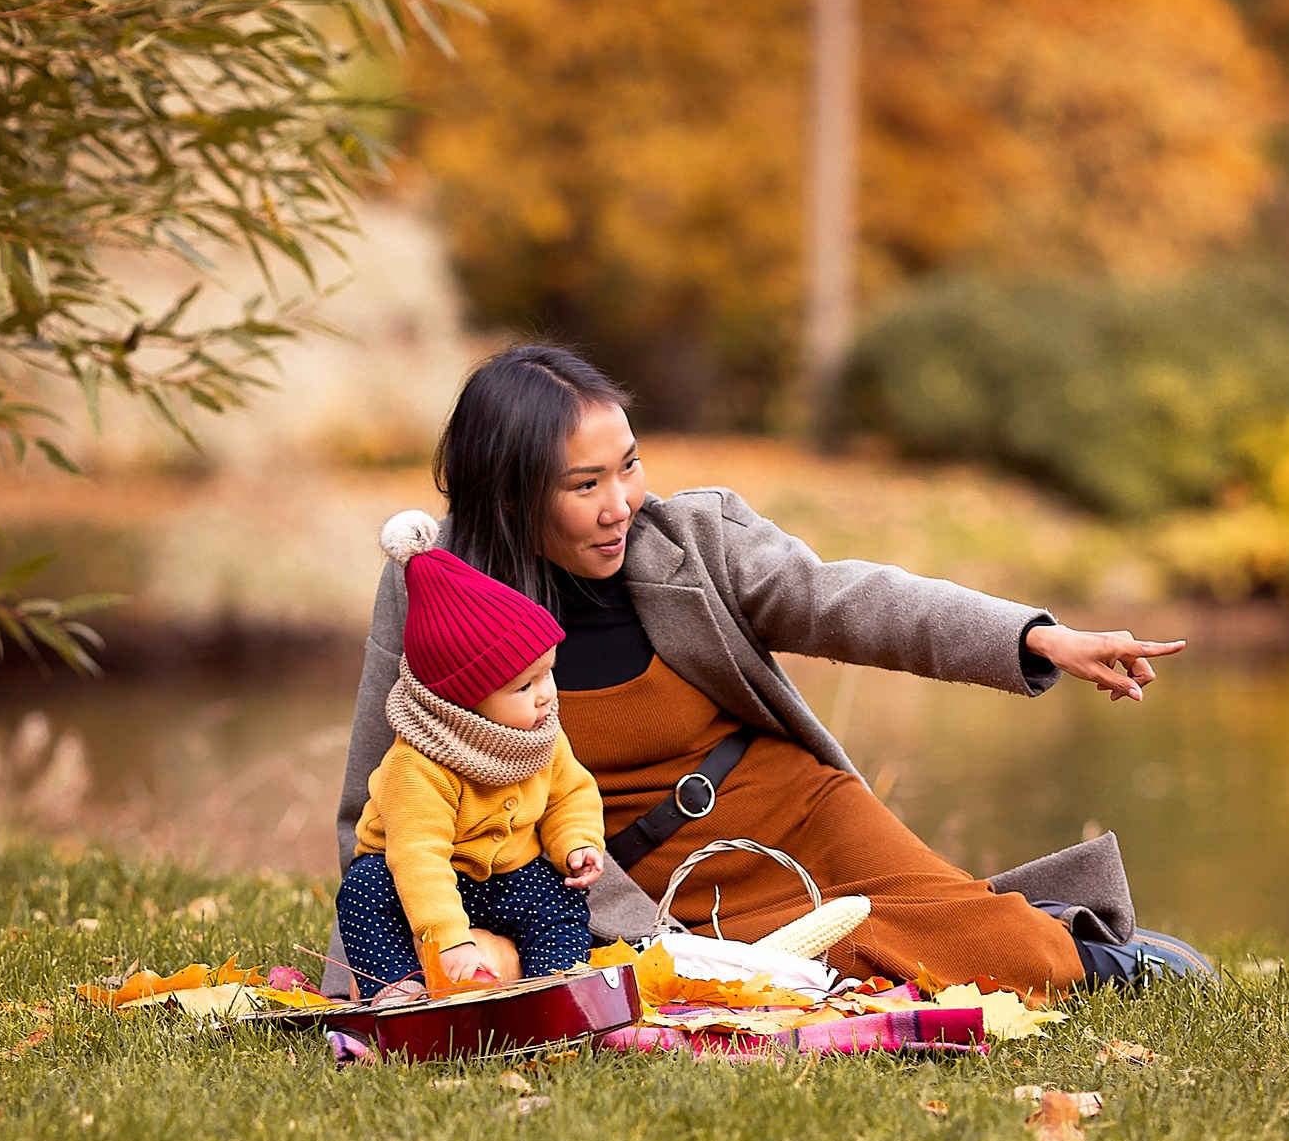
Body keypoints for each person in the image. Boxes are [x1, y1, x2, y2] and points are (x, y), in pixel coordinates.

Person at [333, 344, 1212, 1000]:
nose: (621, 503)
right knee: (828, 980)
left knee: (998, 950)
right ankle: (1032, 926)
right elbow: (381, 786)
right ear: (512, 495)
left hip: (797, 808)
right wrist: (383, 958)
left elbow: (851, 602)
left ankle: (1083, 948)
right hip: (631, 884)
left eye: (629, 464)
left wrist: (1036, 638)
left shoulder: (691, 540)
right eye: (584, 484)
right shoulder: (436, 592)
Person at [337, 509, 608, 1002]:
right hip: (416, 878)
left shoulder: (540, 734)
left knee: (561, 903)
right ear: (465, 700)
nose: (546, 695)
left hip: (508, 876)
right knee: (364, 893)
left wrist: (576, 842)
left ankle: (553, 988)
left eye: (547, 673)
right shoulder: (420, 763)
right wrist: (448, 942)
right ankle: (398, 988)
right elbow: (419, 857)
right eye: (525, 685)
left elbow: (570, 791)